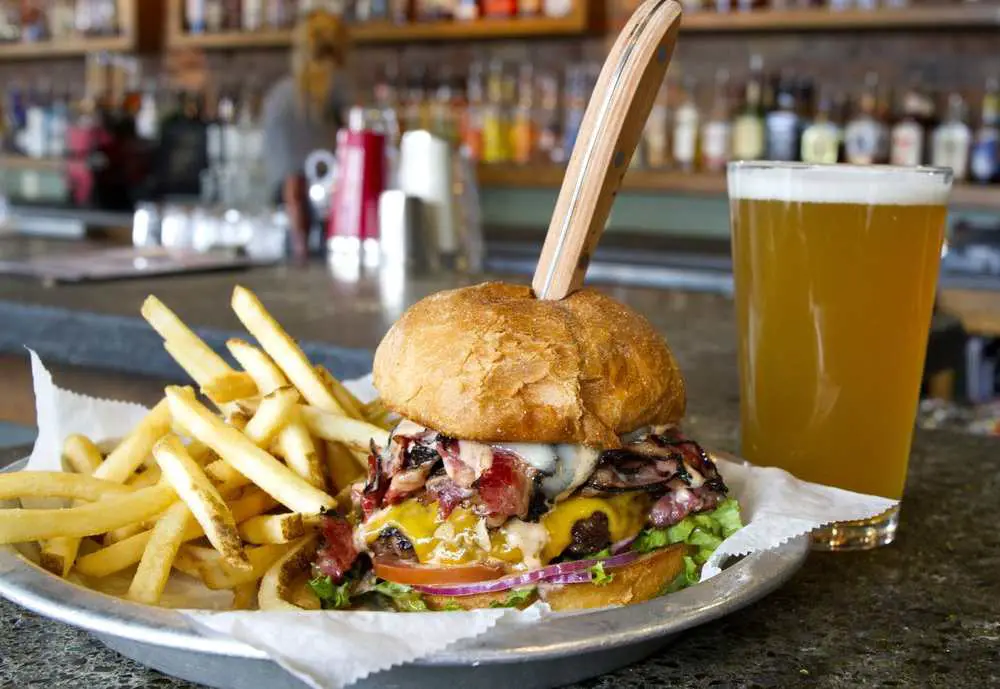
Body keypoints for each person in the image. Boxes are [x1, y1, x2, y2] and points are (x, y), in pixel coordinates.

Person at [262, 8, 350, 259]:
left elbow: (288, 182)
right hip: (335, 231)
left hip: (285, 231)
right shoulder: (339, 86)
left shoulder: (279, 96)